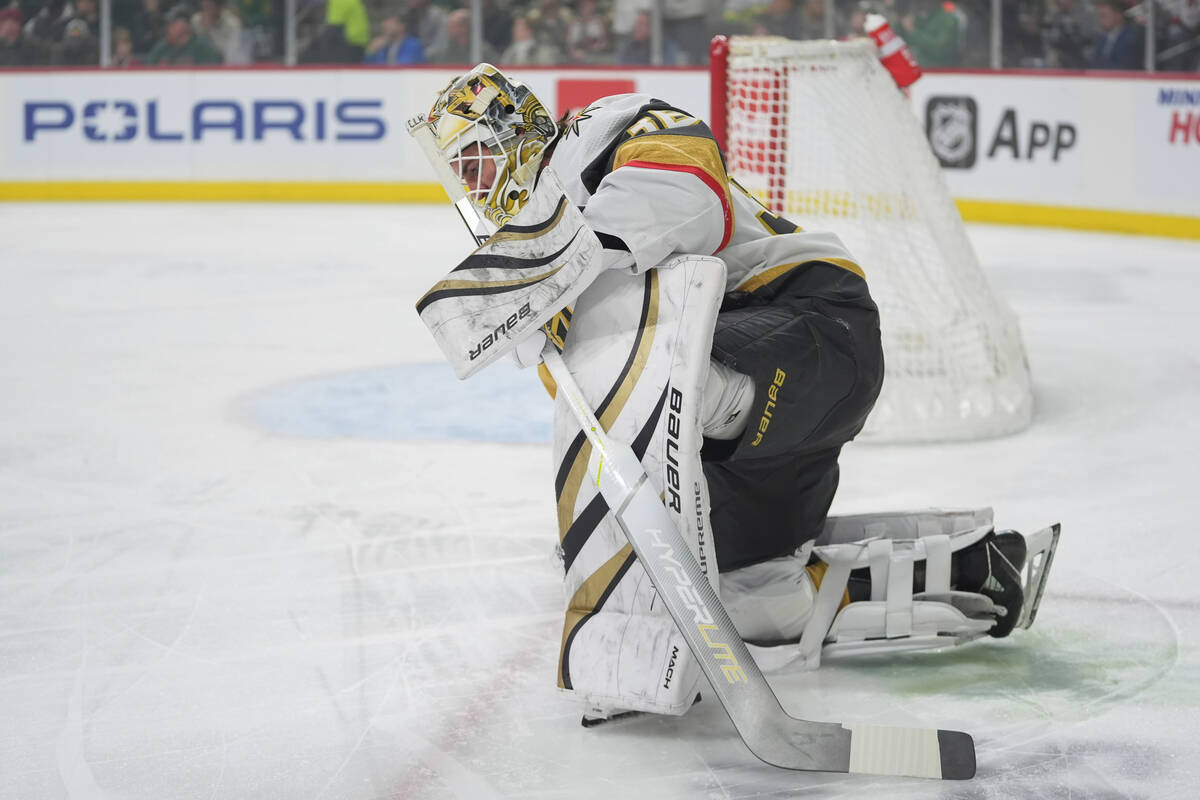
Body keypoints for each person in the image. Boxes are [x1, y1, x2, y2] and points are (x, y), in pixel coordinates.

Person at [413, 64, 1050, 720]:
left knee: (664, 360)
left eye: (474, 160)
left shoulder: (604, 131)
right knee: (756, 603)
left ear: (515, 131)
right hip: (749, 438)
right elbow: (606, 409)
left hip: (811, 329)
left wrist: (552, 259)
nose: (472, 184)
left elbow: (688, 195)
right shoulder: (545, 266)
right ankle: (974, 574)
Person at [1089, 0, 1144, 69]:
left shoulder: (1130, 40)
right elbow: (1093, 62)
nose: (1100, 20)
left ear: (1118, 16)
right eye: (1099, 16)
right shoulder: (1102, 38)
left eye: (1104, 15)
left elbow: (1125, 69)